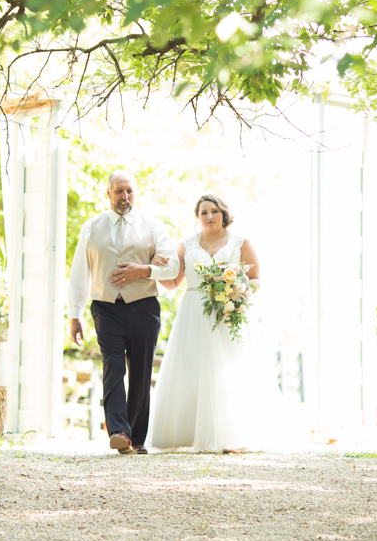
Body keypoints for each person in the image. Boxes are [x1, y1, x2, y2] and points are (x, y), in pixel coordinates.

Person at [147, 193, 282, 452]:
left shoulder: (241, 242)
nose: (209, 216)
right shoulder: (185, 245)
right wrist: (156, 269)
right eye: (203, 213)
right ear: (197, 218)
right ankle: (188, 434)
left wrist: (238, 291)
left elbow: (256, 278)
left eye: (214, 212)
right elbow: (173, 282)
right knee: (192, 369)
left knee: (231, 371)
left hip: (229, 312)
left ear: (223, 214)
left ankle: (233, 437)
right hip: (194, 311)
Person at [68, 170, 179, 454]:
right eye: (119, 191)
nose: (124, 197)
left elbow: (173, 267)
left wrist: (143, 270)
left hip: (144, 304)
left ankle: (137, 438)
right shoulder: (91, 227)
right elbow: (79, 273)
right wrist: (75, 314)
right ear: (108, 193)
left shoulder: (153, 225)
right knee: (113, 364)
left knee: (141, 370)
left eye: (129, 191)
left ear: (135, 193)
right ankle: (118, 430)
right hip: (105, 306)